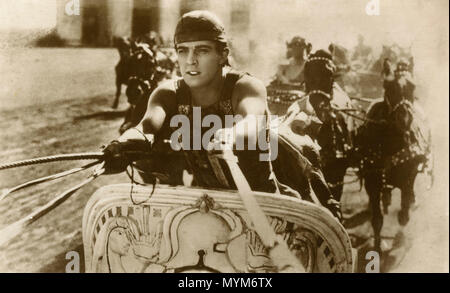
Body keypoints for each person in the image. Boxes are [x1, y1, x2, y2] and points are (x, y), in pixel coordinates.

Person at [102, 10, 340, 219]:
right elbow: (147, 127)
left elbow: (253, 120)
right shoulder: (168, 92)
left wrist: (231, 134)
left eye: (202, 50)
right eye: (182, 51)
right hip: (204, 208)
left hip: (265, 208)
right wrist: (121, 144)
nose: (190, 61)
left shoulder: (246, 87)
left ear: (223, 54)